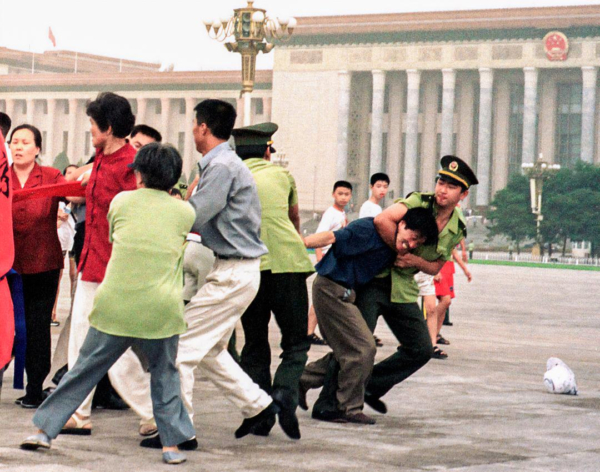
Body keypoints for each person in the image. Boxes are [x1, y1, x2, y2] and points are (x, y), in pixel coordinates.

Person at [20, 143, 196, 465]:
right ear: (173, 177)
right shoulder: (184, 211)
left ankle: (43, 431)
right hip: (162, 309)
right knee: (164, 375)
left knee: (84, 369)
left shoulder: (121, 202)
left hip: (116, 304)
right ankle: (171, 446)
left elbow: (116, 236)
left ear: (139, 174)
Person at [141, 99, 292, 451]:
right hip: (233, 269)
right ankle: (259, 407)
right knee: (209, 350)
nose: (193, 131)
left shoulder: (221, 166)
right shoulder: (222, 164)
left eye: (194, 125)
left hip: (233, 271)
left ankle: (179, 431)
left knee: (180, 350)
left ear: (204, 128)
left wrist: (160, 207)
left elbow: (194, 215)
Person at [357, 155, 478, 414]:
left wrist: (413, 260)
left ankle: (371, 387)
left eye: (451, 186)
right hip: (375, 280)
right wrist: (399, 252)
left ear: (463, 195)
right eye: (441, 182)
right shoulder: (418, 202)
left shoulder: (458, 226)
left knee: (421, 348)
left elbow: (435, 266)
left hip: (402, 289)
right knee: (357, 346)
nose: (442, 189)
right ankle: (325, 397)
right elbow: (382, 221)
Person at [65, 92, 156, 435]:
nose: (89, 129)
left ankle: (154, 411)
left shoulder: (133, 167)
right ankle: (78, 412)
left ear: (109, 127)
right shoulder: (102, 158)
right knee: (80, 340)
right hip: (91, 264)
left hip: (115, 270)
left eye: (93, 124)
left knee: (113, 351)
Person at [301, 208, 438, 424]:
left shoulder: (393, 249)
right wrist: (301, 242)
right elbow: (332, 237)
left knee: (349, 349)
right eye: (413, 237)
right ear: (401, 224)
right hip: (331, 289)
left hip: (345, 293)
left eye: (417, 243)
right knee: (363, 347)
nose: (411, 245)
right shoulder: (367, 229)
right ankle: (347, 407)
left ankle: (299, 382)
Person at [233, 122, 314, 438]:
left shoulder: (230, 175)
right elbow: (293, 220)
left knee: (254, 344)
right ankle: (283, 393)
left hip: (249, 266)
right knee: (296, 342)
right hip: (287, 265)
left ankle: (260, 413)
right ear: (268, 150)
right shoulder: (282, 175)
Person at [10, 124, 66, 408]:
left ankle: (34, 389)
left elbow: (76, 195)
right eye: (14, 142)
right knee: (7, 327)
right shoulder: (2, 177)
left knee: (37, 327)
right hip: (7, 267)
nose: (18, 147)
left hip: (43, 263)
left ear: (37, 148)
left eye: (24, 142)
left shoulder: (51, 177)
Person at [307, 180, 352, 345]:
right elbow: (320, 236)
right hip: (328, 261)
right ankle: (310, 332)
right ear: (333, 194)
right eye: (340, 194)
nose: (343, 197)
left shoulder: (341, 214)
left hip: (335, 261)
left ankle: (312, 331)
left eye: (346, 194)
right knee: (322, 298)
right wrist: (320, 260)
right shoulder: (330, 213)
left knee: (325, 298)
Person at [431, 247, 472, 358]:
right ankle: (428, 324)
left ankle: (435, 334)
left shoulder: (453, 233)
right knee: (445, 301)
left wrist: (466, 271)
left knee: (445, 304)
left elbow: (455, 254)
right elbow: (432, 251)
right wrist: (435, 270)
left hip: (449, 269)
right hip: (440, 268)